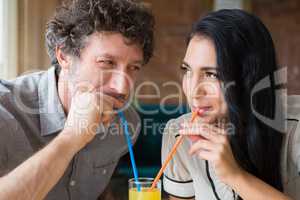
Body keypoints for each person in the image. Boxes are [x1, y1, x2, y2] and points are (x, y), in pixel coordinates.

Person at [0, 0, 154, 199]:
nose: (122, 87)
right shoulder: (5, 113)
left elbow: (95, 190)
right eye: (107, 62)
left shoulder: (127, 123)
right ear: (64, 56)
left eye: (133, 67)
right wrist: (71, 137)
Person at [162, 9, 299, 200]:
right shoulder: (178, 136)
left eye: (212, 74)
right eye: (187, 70)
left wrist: (235, 176)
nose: (193, 90)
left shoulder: (296, 128)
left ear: (248, 78)